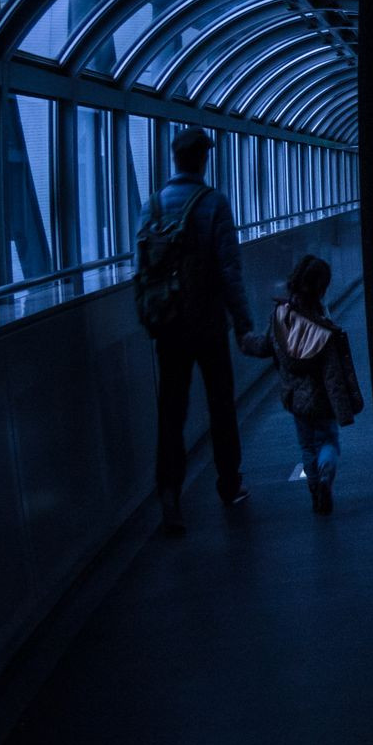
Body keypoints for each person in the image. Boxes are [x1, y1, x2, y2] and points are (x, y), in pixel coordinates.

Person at [134, 126, 254, 534]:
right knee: (221, 405)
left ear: (175, 157)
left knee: (171, 411)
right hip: (208, 324)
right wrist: (243, 324)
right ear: (203, 158)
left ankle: (169, 493)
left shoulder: (151, 206)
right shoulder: (213, 202)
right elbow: (229, 269)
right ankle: (230, 484)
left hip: (168, 326)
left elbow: (141, 270)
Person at [238, 252, 363, 514]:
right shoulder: (323, 327)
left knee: (307, 446)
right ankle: (326, 474)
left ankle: (315, 488)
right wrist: (344, 408)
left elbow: (265, 346)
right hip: (323, 401)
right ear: (321, 288)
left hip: (296, 399)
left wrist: (245, 341)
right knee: (328, 442)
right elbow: (332, 375)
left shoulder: (280, 316)